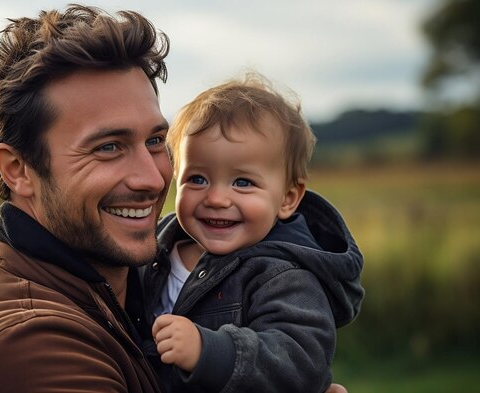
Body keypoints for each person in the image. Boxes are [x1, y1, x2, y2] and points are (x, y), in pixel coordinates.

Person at [0, 4, 351, 393]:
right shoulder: (32, 351)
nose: (154, 177)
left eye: (156, 140)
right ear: (18, 169)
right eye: (109, 146)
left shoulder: (116, 283)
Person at [142, 73, 364, 392]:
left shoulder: (282, 277)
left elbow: (301, 362)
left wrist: (210, 351)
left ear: (287, 199)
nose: (216, 199)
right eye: (198, 179)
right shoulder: (152, 250)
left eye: (243, 182)